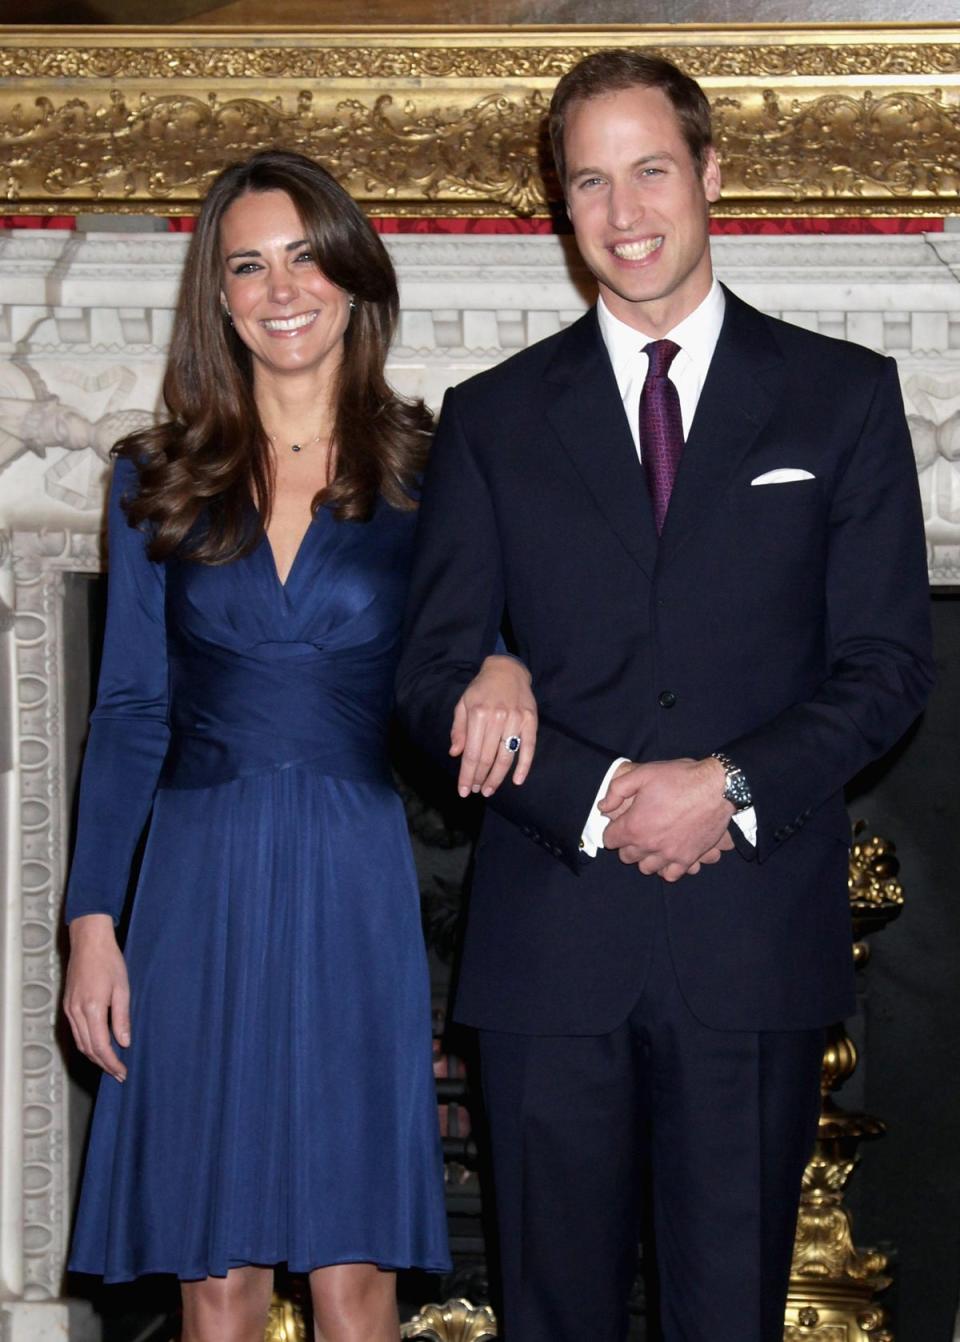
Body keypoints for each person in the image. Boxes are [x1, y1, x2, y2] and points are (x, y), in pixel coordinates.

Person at [395, 50, 934, 1342]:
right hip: (548, 952)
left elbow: (889, 668)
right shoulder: (492, 417)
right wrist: (593, 793)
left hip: (750, 944)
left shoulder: (843, 397)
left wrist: (729, 788)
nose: (625, 211)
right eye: (590, 180)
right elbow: (424, 683)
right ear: (560, 205)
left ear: (711, 176)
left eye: (650, 170)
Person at [62, 149, 536, 1342]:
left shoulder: (436, 474)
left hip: (347, 866)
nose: (283, 290)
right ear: (219, 298)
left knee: (351, 1271)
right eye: (249, 266)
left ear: (354, 277)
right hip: (194, 879)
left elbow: (495, 638)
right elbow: (127, 714)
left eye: (306, 258)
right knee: (211, 1273)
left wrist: (506, 659)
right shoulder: (152, 481)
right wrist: (90, 926)